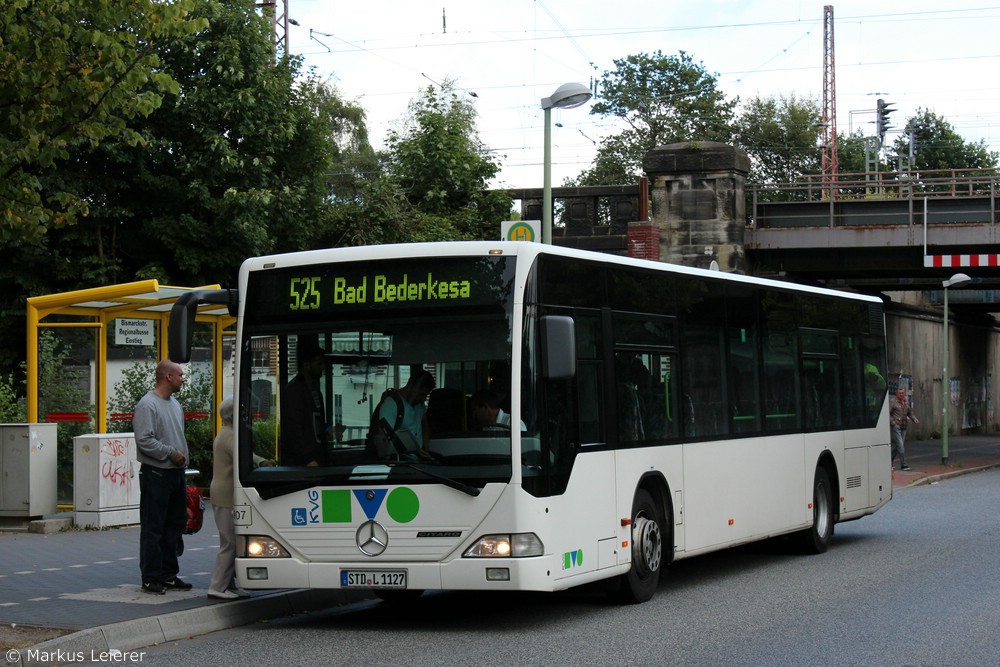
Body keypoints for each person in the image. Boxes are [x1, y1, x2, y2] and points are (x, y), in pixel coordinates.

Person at [134, 359, 193, 595]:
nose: (182, 379)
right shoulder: (147, 405)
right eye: (179, 375)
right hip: (156, 474)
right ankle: (151, 577)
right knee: (154, 527)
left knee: (174, 525)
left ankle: (168, 574)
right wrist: (171, 453)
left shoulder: (175, 404)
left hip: (176, 473)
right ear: (167, 376)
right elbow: (144, 440)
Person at [208, 396, 273, 600]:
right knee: (230, 543)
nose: (247, 416)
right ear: (234, 414)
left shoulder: (226, 433)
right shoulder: (230, 435)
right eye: (243, 412)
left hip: (223, 494)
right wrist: (263, 462)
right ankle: (217, 587)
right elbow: (244, 456)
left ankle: (230, 584)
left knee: (232, 541)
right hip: (225, 495)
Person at [280, 343, 328, 466]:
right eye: (319, 363)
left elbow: (315, 422)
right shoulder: (294, 390)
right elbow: (294, 428)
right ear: (306, 365)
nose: (323, 367)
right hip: (303, 463)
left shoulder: (314, 388)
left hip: (314, 456)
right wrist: (308, 458)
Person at [376, 368, 435, 452]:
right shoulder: (391, 404)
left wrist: (426, 450)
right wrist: (414, 450)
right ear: (411, 386)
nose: (423, 399)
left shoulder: (419, 405)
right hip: (398, 460)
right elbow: (384, 436)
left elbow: (424, 427)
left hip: (417, 459)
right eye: (421, 394)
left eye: (426, 395)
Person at [889, 385, 919, 471]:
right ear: (897, 393)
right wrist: (893, 423)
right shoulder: (893, 402)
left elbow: (910, 413)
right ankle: (903, 464)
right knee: (901, 445)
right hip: (896, 426)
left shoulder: (906, 402)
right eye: (900, 393)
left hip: (904, 426)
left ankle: (889, 461)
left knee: (898, 446)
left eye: (902, 393)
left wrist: (914, 419)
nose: (901, 394)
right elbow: (888, 414)